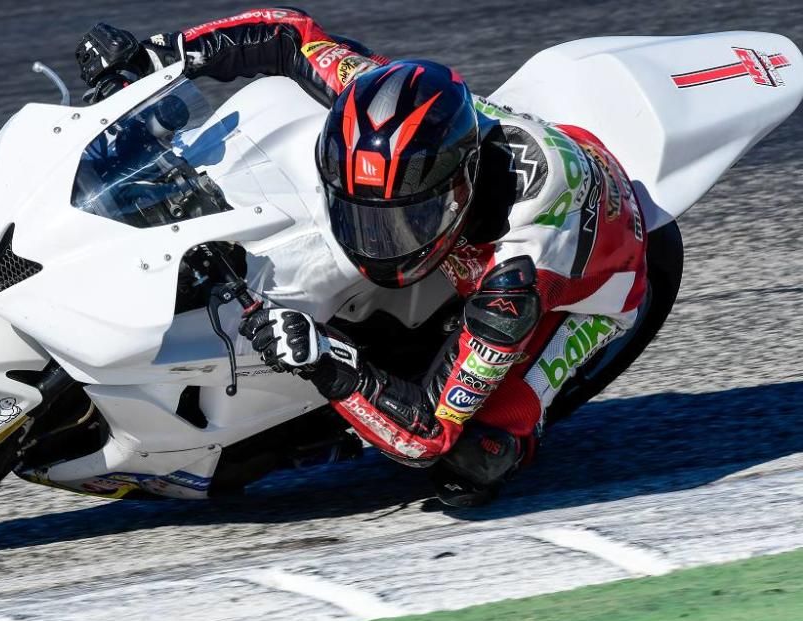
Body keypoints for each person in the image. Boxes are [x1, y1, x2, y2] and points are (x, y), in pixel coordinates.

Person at [75, 8, 648, 507]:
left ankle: (515, 428)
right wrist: (161, 54)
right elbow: (287, 34)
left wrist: (326, 359)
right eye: (363, 215)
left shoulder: (515, 277)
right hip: (496, 191)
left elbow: (425, 435)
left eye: (402, 221)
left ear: (458, 191)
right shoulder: (374, 90)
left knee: (473, 460)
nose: (377, 237)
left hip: (596, 281)